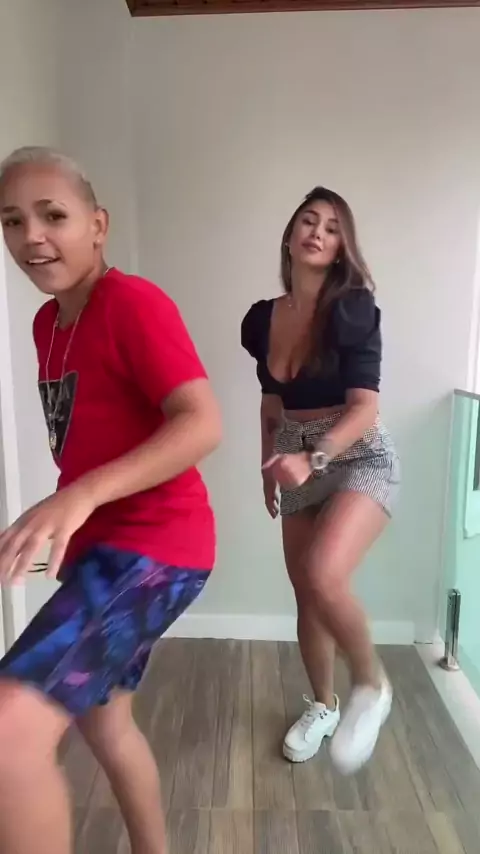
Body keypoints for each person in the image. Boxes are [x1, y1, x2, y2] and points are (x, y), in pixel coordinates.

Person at [0, 146, 221, 854]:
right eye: (12, 221)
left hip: (155, 548)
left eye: (53, 216)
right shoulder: (48, 324)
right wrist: (56, 515)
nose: (32, 236)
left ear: (98, 225)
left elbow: (202, 422)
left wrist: (81, 495)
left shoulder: (132, 303)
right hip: (104, 554)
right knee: (105, 725)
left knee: (8, 735)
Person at [241, 187, 400, 775]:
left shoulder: (354, 310)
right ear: (290, 237)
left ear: (340, 249)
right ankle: (324, 706)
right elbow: (271, 403)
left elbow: (364, 409)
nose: (317, 232)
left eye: (332, 228)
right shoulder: (263, 318)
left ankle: (371, 685)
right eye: (308, 221)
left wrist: (313, 457)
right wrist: (269, 464)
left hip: (356, 455)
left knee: (323, 573)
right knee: (307, 594)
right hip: (293, 455)